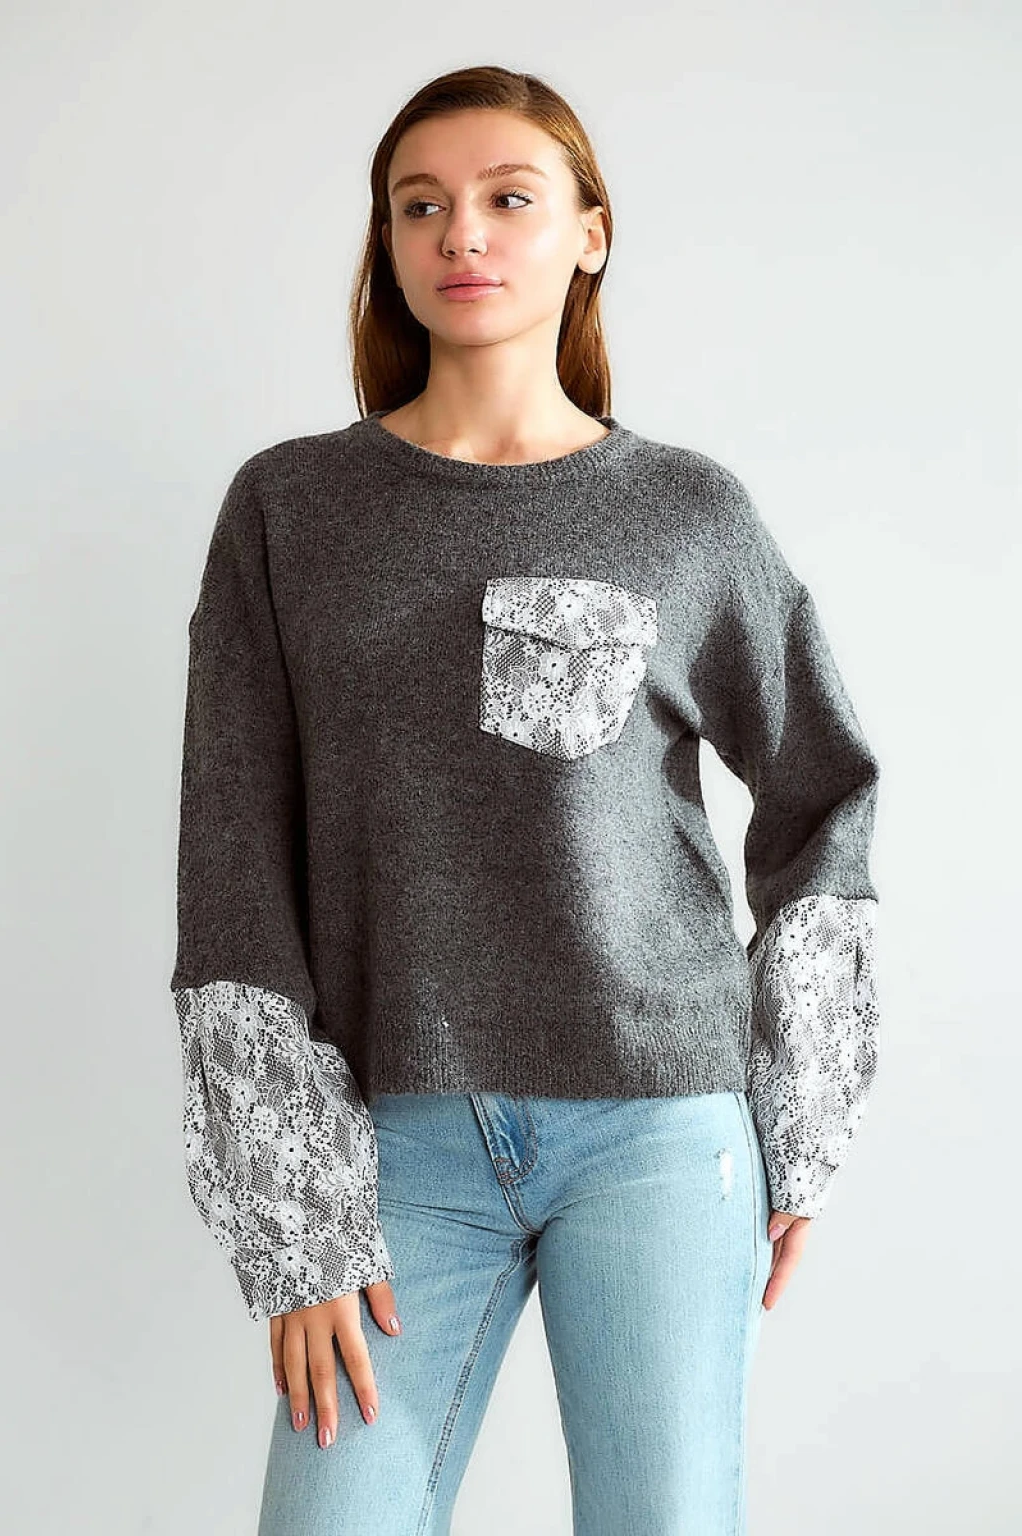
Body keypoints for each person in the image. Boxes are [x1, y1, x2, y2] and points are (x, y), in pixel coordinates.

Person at [170, 64, 881, 1535]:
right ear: (386, 240)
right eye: (420, 205)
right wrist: (295, 1214)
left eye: (508, 198)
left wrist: (803, 1108)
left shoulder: (688, 512)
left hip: (662, 1126)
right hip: (393, 1133)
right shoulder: (289, 509)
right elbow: (233, 859)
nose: (462, 235)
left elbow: (827, 791)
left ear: (589, 233)